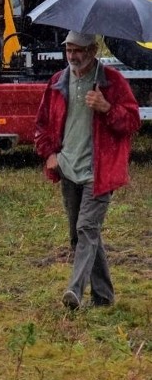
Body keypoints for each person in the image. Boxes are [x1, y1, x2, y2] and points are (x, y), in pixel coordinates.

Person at [34, 31, 140, 310]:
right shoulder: (58, 82)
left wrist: (106, 107)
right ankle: (104, 296)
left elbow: (131, 122)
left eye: (78, 50)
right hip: (68, 169)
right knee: (80, 234)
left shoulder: (112, 82)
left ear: (93, 50)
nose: (72, 55)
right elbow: (42, 126)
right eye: (69, 49)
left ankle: (74, 292)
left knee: (86, 228)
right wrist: (50, 154)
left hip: (99, 172)